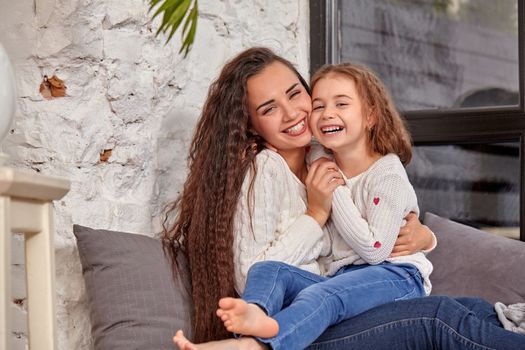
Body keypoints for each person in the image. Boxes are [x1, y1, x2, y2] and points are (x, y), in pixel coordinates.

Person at [164, 47, 525, 349]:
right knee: (440, 318)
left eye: (295, 94)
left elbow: (381, 217)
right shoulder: (264, 170)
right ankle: (256, 341)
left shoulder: (323, 155)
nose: (293, 113)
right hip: (307, 319)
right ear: (249, 125)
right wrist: (315, 213)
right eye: (269, 108)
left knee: (473, 310)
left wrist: (426, 237)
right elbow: (253, 274)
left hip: (339, 298)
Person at [202, 61, 433, 350]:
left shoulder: (376, 173)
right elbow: (308, 147)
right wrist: (259, 146)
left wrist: (428, 237)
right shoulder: (318, 156)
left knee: (323, 296)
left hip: (394, 275)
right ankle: (254, 319)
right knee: (267, 271)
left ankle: (256, 345)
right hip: (346, 279)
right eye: (320, 105)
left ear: (371, 115)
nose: (326, 114)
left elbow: (377, 249)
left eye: (341, 103)